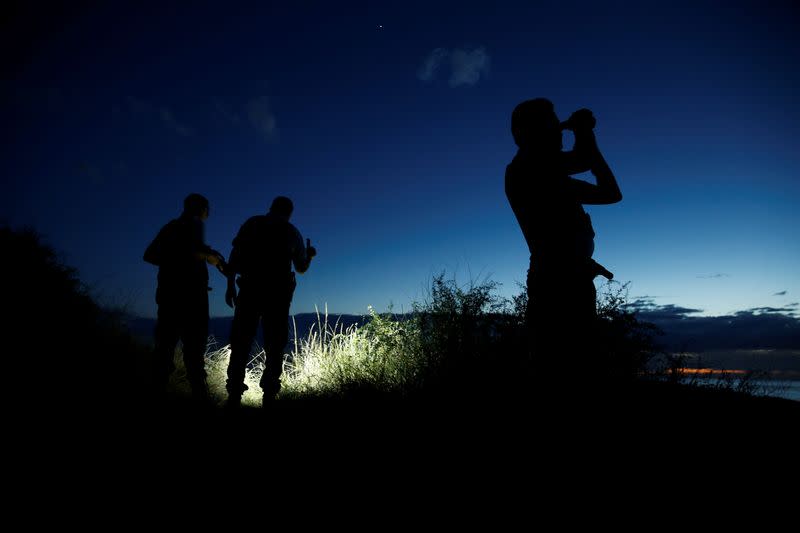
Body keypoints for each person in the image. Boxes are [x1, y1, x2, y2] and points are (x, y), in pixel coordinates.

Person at [504, 98, 622, 379]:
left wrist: (580, 132)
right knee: (561, 366)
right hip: (558, 282)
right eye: (551, 126)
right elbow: (589, 166)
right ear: (529, 134)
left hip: (568, 277)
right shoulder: (528, 170)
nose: (558, 132)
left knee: (572, 363)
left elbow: (609, 191)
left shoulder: (549, 175)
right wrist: (582, 131)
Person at [224, 196, 317, 407]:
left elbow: (235, 255)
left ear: (271, 207)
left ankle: (234, 395)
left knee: (240, 341)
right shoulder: (292, 232)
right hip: (278, 295)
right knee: (275, 345)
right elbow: (301, 268)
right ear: (290, 212)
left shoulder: (253, 224)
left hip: (250, 289)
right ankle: (269, 395)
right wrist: (310, 256)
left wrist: (230, 286)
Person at [143, 193, 226, 405]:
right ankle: (199, 400)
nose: (209, 214)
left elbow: (159, 254)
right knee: (187, 352)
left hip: (175, 297)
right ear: (202, 209)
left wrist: (206, 255)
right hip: (186, 299)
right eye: (208, 209)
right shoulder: (183, 226)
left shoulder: (180, 228)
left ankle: (162, 394)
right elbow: (152, 255)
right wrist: (199, 255)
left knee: (171, 349)